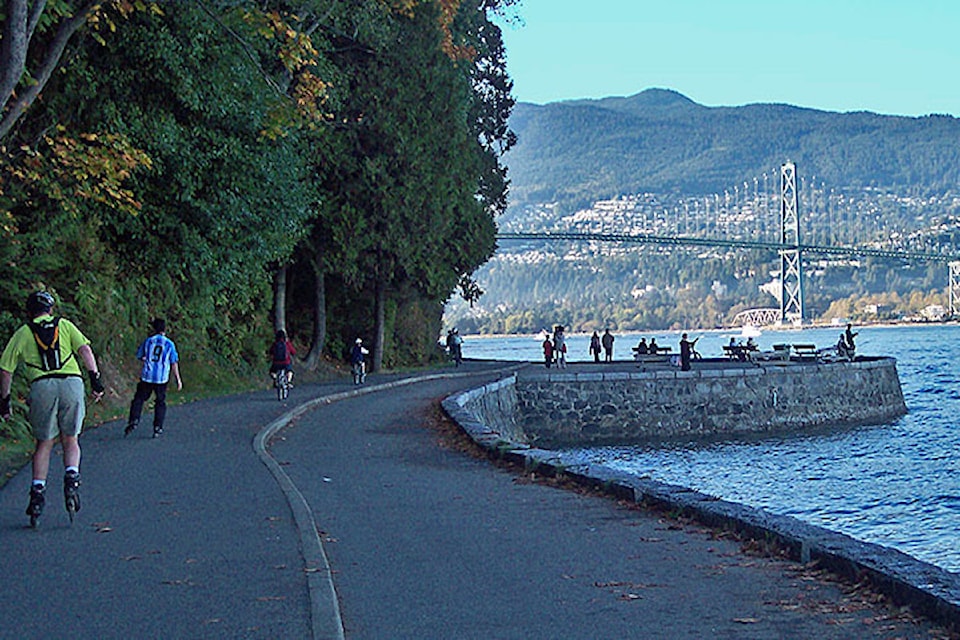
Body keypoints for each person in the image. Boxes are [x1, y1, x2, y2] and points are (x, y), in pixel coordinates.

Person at [0, 291, 105, 525]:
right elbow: (85, 350)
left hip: (42, 386)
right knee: (71, 438)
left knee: (44, 443)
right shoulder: (64, 325)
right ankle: (71, 479)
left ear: (30, 311)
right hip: (72, 383)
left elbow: (6, 369)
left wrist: (5, 400)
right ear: (51, 309)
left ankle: (37, 494)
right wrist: (95, 380)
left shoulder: (24, 332)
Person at [125, 318, 182, 438]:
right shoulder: (169, 344)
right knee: (160, 402)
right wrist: (178, 379)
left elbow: (140, 355)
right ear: (165, 329)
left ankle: (134, 419)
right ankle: (158, 426)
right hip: (161, 378)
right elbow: (174, 362)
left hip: (147, 375)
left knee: (139, 398)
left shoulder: (148, 341)